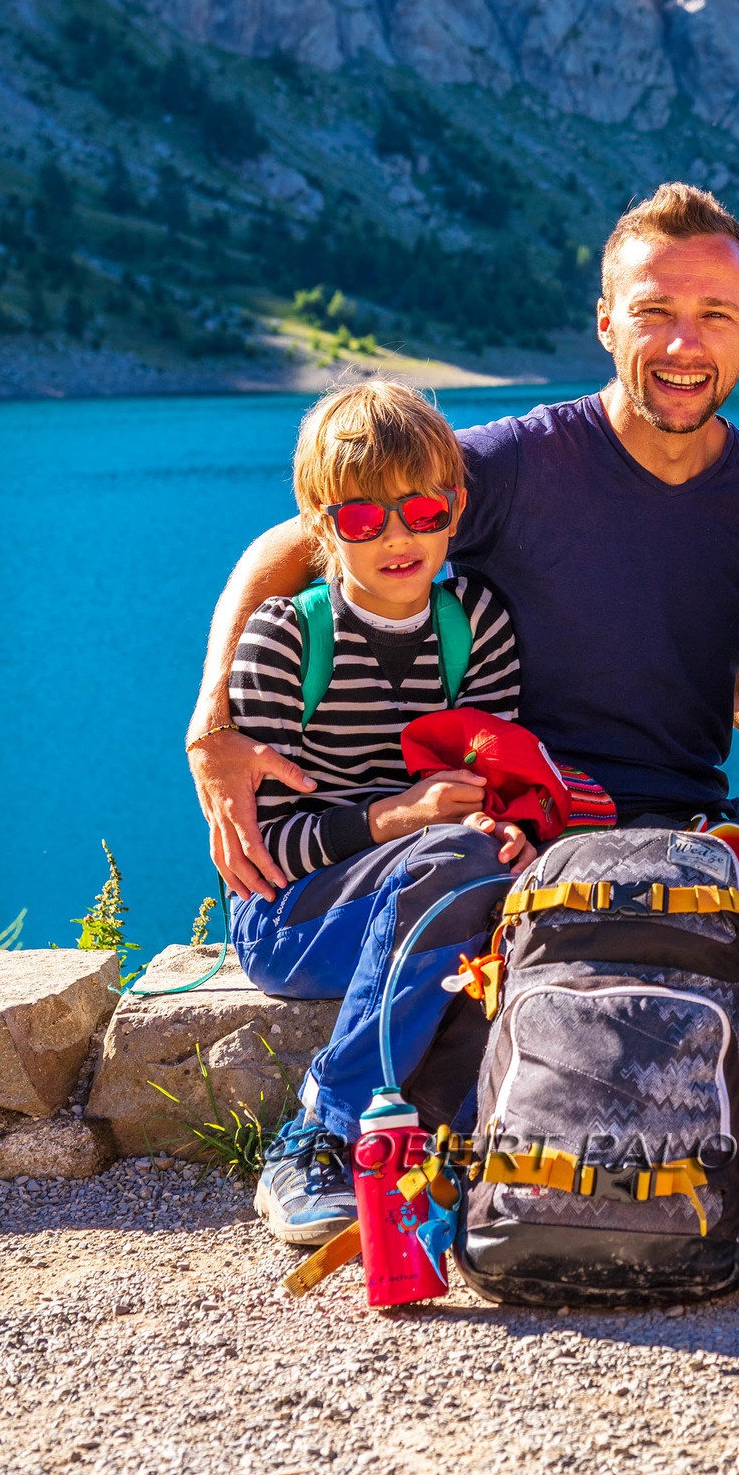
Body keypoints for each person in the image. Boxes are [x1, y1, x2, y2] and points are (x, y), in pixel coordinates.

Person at [186, 183, 739, 902]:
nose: (682, 343)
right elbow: (289, 545)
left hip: (687, 829)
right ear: (606, 322)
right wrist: (213, 726)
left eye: (714, 315)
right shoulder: (514, 463)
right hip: (515, 835)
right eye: (653, 311)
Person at [229, 380, 611, 1248]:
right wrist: (394, 818)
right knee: (447, 866)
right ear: (322, 523)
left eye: (423, 509)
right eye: (364, 519)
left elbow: (496, 788)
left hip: (431, 885)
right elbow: (263, 847)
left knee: (501, 872)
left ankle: (460, 1148)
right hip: (295, 918)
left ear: (456, 507)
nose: (399, 536)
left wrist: (506, 830)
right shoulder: (288, 637)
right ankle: (322, 1129)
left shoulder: (474, 623)